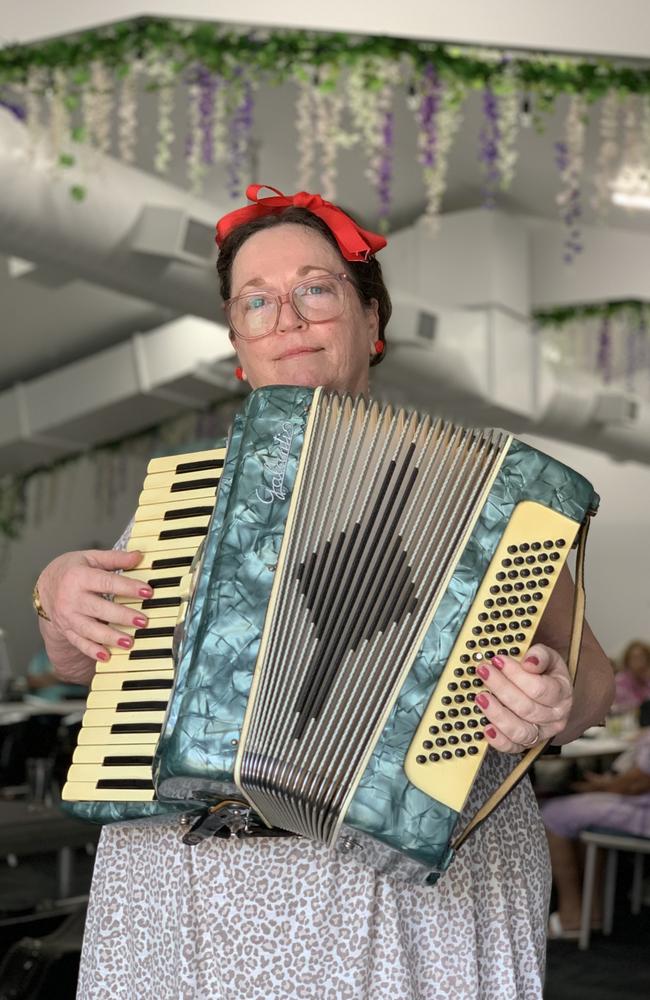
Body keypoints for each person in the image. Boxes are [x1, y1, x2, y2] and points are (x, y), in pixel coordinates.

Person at [33, 185, 614, 1000]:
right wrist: (54, 596)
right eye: (257, 302)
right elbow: (82, 657)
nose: (289, 320)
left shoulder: (490, 492)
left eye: (315, 289)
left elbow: (591, 688)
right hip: (194, 890)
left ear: (371, 320)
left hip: (415, 900)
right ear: (238, 341)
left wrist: (554, 702)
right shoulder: (184, 501)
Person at [542, 730, 650, 939]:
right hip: (639, 802)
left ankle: (571, 914)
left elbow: (638, 783)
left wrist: (601, 786)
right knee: (579, 813)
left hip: (642, 809)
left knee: (551, 814)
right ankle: (592, 911)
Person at [612, 640, 650, 712]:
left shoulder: (647, 678)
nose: (638, 661)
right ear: (627, 660)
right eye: (634, 657)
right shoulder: (620, 680)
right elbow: (625, 706)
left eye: (641, 657)